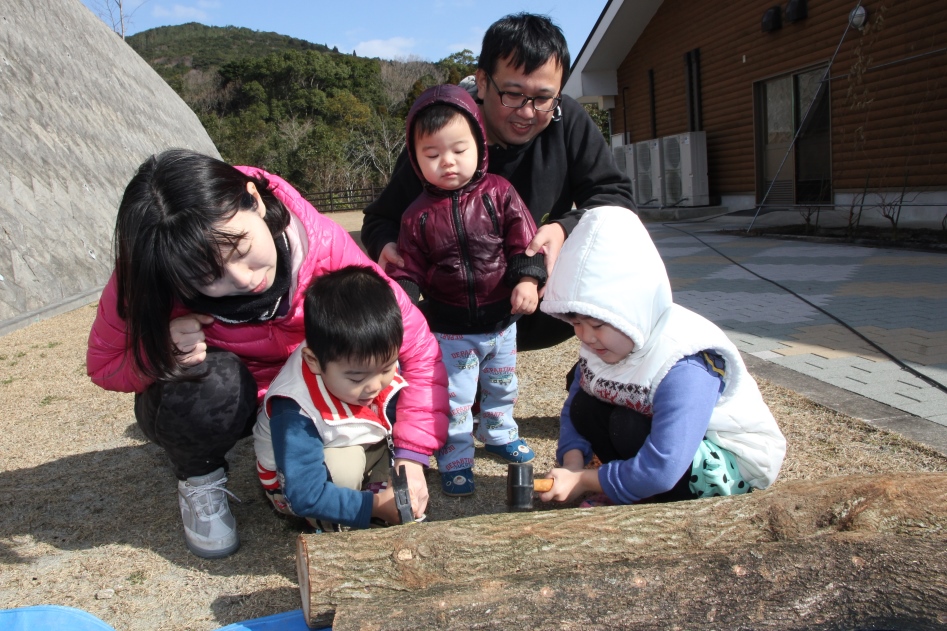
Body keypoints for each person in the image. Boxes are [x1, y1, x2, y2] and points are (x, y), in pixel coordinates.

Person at [86, 150, 449, 558]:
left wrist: (415, 455)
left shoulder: (321, 246)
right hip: (235, 398)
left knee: (373, 355)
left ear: (254, 199)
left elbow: (416, 345)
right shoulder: (152, 264)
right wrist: (159, 352)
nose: (243, 278)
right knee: (210, 381)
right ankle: (199, 476)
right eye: (206, 276)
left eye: (240, 249)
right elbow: (104, 366)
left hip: (307, 395)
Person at [362, 12, 635, 353]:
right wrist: (387, 247)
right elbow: (380, 219)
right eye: (512, 94)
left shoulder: (567, 121)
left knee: (626, 248)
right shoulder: (445, 133)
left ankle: (604, 379)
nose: (526, 112)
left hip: (542, 303)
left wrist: (565, 229)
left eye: (543, 98)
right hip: (453, 317)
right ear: (482, 80)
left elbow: (616, 200)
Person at [537, 207, 786, 507]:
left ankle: (642, 493)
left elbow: (665, 464)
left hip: (725, 465)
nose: (587, 337)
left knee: (627, 424)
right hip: (668, 449)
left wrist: (584, 481)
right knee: (586, 404)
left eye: (599, 325)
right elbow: (573, 411)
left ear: (631, 311)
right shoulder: (604, 346)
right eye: (576, 324)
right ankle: (632, 487)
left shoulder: (685, 361)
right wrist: (572, 463)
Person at [387, 84, 547, 496]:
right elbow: (411, 268)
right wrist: (402, 305)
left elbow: (523, 242)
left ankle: (498, 432)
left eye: (459, 149)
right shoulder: (416, 216)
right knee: (455, 397)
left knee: (502, 385)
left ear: (479, 143)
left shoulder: (500, 193)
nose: (448, 162)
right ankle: (456, 457)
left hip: (502, 321)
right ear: (415, 159)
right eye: (432, 154)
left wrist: (528, 279)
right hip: (450, 326)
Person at [254, 266, 407, 530]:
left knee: (402, 453)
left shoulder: (364, 353)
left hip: (353, 437)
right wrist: (375, 506)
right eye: (357, 379)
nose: (374, 386)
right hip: (299, 480)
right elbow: (305, 495)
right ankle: (337, 522)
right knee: (341, 472)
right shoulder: (295, 410)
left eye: (386, 369)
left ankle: (377, 493)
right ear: (314, 361)